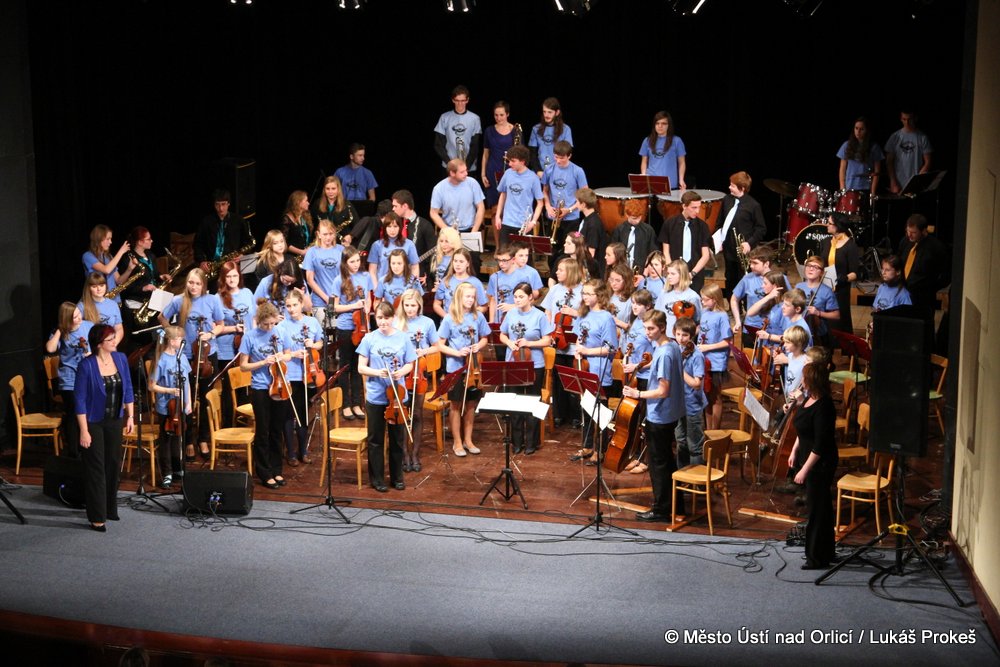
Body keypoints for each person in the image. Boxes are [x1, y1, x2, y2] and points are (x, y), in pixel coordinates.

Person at [621, 310, 685, 522]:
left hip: (660, 415)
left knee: (658, 464)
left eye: (651, 328)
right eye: (645, 328)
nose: (647, 332)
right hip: (670, 412)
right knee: (667, 460)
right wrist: (638, 366)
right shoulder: (671, 345)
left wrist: (637, 394)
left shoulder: (665, 353)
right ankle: (676, 504)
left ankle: (661, 510)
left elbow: (663, 391)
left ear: (662, 328)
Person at [74, 323, 135, 532]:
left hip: (114, 419)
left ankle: (109, 508)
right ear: (99, 344)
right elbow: (80, 400)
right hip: (93, 422)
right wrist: (84, 430)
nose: (115, 341)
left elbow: (128, 387)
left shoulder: (121, 358)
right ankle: (97, 516)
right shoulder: (86, 365)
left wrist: (130, 416)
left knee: (112, 464)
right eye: (110, 339)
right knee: (96, 468)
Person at [157, 268, 224, 459]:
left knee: (205, 398)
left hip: (207, 356)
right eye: (190, 282)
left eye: (197, 283)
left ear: (203, 285)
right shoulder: (179, 300)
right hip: (186, 356)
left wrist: (210, 334)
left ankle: (203, 438)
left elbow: (220, 324)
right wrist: (173, 334)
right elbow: (161, 317)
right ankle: (187, 441)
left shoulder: (212, 300)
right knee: (186, 399)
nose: (193, 287)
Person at [357, 302, 416, 492]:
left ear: (393, 318)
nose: (383, 322)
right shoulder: (369, 338)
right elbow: (361, 368)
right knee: (375, 440)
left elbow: (410, 364)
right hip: (376, 396)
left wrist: (401, 372)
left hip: (397, 397)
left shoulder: (403, 338)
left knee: (397, 439)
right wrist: (377, 372)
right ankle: (377, 479)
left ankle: (397, 477)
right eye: (380, 318)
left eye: (387, 318)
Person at [237, 301, 293, 490]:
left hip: (280, 386)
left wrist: (281, 357)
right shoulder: (249, 337)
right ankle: (264, 472)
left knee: (277, 429)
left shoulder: (281, 332)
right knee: (263, 430)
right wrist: (262, 362)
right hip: (260, 388)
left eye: (272, 324)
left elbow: (288, 355)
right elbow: (243, 366)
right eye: (265, 324)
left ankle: (277, 469)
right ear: (259, 321)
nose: (269, 328)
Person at [788, 362, 838, 569]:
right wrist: (794, 450)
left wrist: (804, 469)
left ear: (812, 380)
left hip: (820, 463)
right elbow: (803, 429)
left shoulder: (824, 407)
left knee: (817, 510)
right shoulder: (808, 399)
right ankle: (826, 552)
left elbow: (820, 445)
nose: (802, 380)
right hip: (808, 458)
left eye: (804, 377)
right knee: (822, 507)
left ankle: (816, 558)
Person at [499, 282, 554, 455]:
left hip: (534, 364)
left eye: (521, 297)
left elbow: (547, 340)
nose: (517, 300)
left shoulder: (539, 316)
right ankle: (516, 441)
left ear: (530, 297)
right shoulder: (511, 314)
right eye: (515, 297)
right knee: (514, 400)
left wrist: (528, 343)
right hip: (514, 362)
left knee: (532, 400)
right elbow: (502, 334)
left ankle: (531, 441)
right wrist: (510, 343)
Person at [437, 282, 491, 458]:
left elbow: (485, 338)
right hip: (456, 368)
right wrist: (457, 352)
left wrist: (478, 346)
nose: (471, 299)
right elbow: (440, 345)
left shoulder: (478, 316)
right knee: (455, 404)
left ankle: (468, 440)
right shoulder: (449, 318)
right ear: (459, 297)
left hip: (473, 369)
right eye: (468, 296)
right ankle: (457, 441)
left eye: (473, 297)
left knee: (470, 405)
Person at [571, 279, 619, 465]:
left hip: (599, 368)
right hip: (583, 366)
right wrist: (578, 349)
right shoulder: (583, 314)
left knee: (600, 412)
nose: (584, 297)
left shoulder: (606, 318)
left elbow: (611, 348)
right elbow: (579, 338)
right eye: (583, 293)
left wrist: (587, 351)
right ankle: (587, 445)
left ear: (599, 296)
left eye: (589, 294)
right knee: (586, 408)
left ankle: (601, 449)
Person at [276, 288, 323, 467]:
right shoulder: (281, 326)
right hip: (290, 375)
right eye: (288, 306)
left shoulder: (312, 322)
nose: (291, 309)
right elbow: (278, 353)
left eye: (295, 305)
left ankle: (303, 451)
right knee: (289, 414)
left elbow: (320, 343)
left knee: (303, 413)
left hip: (309, 374)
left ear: (302, 304)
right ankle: (291, 453)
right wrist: (293, 354)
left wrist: (313, 345)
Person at [395, 288, 438, 472]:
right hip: (402, 374)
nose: (410, 309)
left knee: (418, 413)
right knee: (404, 414)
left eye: (413, 305)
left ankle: (415, 453)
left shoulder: (427, 322)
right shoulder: (396, 322)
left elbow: (436, 346)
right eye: (407, 305)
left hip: (419, 374)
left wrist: (423, 351)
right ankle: (404, 453)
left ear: (419, 305)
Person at [330, 246, 373, 421]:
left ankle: (357, 403)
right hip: (346, 327)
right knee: (345, 366)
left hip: (362, 326)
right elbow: (334, 307)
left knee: (358, 366)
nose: (356, 264)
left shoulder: (366, 276)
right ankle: (346, 405)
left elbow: (368, 299)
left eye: (357, 260)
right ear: (345, 263)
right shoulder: (338, 280)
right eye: (352, 262)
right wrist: (354, 306)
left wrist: (367, 309)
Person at [45, 301, 94, 457]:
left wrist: (91, 354)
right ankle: (74, 452)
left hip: (87, 377)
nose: (79, 319)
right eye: (74, 317)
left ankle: (87, 448)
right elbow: (50, 348)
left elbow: (99, 346)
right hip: (69, 379)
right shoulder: (61, 332)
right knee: (73, 413)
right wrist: (60, 330)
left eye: (79, 315)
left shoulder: (88, 326)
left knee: (88, 412)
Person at [215, 260, 256, 427]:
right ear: (223, 278)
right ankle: (229, 425)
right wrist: (234, 328)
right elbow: (215, 327)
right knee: (229, 389)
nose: (232, 279)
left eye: (235, 276)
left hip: (246, 347)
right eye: (228, 276)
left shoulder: (247, 293)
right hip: (227, 349)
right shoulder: (217, 298)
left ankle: (244, 425)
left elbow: (254, 318)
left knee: (245, 387)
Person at [150, 326, 191, 488]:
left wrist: (188, 402)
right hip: (166, 406)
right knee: (166, 439)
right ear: (172, 341)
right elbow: (152, 386)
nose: (182, 341)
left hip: (180, 405)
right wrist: (169, 390)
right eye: (179, 339)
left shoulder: (182, 357)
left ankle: (177, 468)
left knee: (178, 437)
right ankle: (166, 472)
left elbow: (186, 382)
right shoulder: (160, 360)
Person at [620, 289, 656, 473]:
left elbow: (656, 357)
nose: (634, 306)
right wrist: (626, 359)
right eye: (633, 303)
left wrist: (637, 365)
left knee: (645, 421)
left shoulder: (651, 326)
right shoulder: (634, 322)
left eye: (639, 304)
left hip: (647, 378)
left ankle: (646, 460)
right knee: (635, 419)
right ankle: (634, 455)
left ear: (648, 306)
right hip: (634, 378)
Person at [429, 158, 485, 273]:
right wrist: (447, 230)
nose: (466, 174)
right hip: (450, 231)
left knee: (474, 263)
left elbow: (481, 207)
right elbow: (433, 213)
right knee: (451, 264)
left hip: (470, 230)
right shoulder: (439, 188)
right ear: (452, 173)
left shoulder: (472, 183)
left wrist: (474, 230)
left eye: (466, 170)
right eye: (462, 172)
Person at [717, 171, 768, 299]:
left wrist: (749, 243)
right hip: (729, 248)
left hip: (744, 252)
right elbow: (720, 222)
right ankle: (731, 304)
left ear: (742, 188)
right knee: (730, 277)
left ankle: (745, 305)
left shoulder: (753, 205)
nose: (729, 187)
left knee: (743, 279)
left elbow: (761, 229)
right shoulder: (727, 200)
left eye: (733, 186)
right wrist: (719, 240)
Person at [542, 141, 588, 271]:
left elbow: (585, 195)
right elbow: (544, 191)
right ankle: (553, 274)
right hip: (553, 216)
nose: (558, 161)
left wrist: (569, 209)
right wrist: (548, 206)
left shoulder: (577, 171)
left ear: (569, 156)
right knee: (552, 250)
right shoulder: (549, 169)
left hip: (571, 218)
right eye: (556, 157)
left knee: (569, 251)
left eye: (561, 158)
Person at [896, 213, 950, 315]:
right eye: (908, 231)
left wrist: (931, 288)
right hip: (903, 295)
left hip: (923, 299)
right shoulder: (905, 242)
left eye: (913, 232)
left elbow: (946, 274)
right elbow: (898, 261)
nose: (909, 235)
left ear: (924, 231)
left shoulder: (936, 248)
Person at [659, 190, 712, 293]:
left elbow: (705, 255)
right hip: (674, 274)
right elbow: (666, 251)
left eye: (699, 207)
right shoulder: (670, 224)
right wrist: (672, 271)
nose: (697, 211)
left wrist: (692, 274)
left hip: (695, 275)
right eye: (694, 207)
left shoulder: (702, 226)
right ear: (684, 206)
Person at [818, 212, 861, 335]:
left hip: (840, 290)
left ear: (838, 226)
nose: (827, 225)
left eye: (830, 223)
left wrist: (844, 278)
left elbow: (855, 273)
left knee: (838, 323)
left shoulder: (850, 246)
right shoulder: (826, 242)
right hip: (825, 286)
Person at [673, 317, 708, 467]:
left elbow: (696, 384)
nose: (681, 338)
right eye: (678, 334)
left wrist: (679, 370)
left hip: (692, 404)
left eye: (685, 335)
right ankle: (682, 475)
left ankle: (696, 477)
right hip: (678, 404)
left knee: (695, 445)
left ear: (692, 336)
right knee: (680, 441)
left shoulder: (697, 355)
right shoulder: (677, 349)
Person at [493, 144, 543, 248]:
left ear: (522, 161)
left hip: (524, 225)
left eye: (513, 161)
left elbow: (540, 203)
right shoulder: (508, 173)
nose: (510, 164)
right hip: (507, 222)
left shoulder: (533, 178)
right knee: (504, 254)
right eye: (509, 161)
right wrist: (498, 216)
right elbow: (503, 194)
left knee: (523, 255)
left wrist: (533, 222)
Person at [697, 284, 731, 431]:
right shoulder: (705, 312)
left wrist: (707, 347)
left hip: (715, 362)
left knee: (715, 397)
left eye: (705, 299)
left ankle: (715, 431)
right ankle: (708, 430)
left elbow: (727, 342)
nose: (702, 302)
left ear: (714, 299)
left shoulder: (722, 316)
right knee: (706, 397)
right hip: (703, 360)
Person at [730, 246, 778, 347]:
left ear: (766, 264)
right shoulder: (747, 279)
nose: (751, 266)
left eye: (755, 263)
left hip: (772, 329)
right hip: (751, 328)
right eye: (750, 262)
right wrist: (738, 321)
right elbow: (734, 299)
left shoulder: (780, 278)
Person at [194, 189, 250, 272]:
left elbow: (248, 242)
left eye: (223, 204)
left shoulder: (239, 221)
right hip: (212, 267)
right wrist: (202, 261)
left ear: (229, 204)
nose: (220, 208)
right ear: (214, 204)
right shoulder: (206, 222)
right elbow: (197, 244)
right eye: (217, 204)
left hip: (232, 266)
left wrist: (242, 255)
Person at [303, 219, 344, 329]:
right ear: (318, 234)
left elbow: (346, 276)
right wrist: (327, 298)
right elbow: (310, 280)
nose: (328, 237)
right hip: (320, 302)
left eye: (331, 234)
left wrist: (336, 299)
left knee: (339, 334)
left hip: (340, 301)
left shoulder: (341, 250)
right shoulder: (312, 252)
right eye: (325, 234)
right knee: (325, 333)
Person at [481, 100, 522, 209]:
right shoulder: (489, 131)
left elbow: (522, 155)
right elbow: (485, 154)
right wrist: (483, 174)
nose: (498, 118)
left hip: (511, 171)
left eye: (501, 115)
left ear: (507, 114)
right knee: (494, 207)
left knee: (510, 206)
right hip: (492, 171)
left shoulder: (516, 131)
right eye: (496, 115)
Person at [434, 85, 482, 173]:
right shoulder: (444, 117)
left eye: (463, 100)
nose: (460, 104)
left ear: (467, 100)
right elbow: (438, 145)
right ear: (453, 100)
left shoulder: (475, 119)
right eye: (457, 100)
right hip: (449, 166)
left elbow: (475, 146)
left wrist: (466, 167)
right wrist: (450, 164)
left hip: (468, 168)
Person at [795, 255, 840, 349]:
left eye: (815, 267)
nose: (811, 269)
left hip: (818, 334)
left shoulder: (827, 291)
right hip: (799, 332)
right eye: (809, 265)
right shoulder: (799, 286)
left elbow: (836, 315)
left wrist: (818, 313)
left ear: (821, 272)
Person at [82, 224, 133, 305]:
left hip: (114, 301)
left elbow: (119, 280)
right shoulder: (88, 256)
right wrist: (121, 252)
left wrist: (129, 269)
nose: (110, 242)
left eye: (111, 239)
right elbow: (106, 270)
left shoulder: (109, 257)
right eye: (108, 239)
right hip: (98, 302)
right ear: (99, 239)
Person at [367, 212, 420, 290]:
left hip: (404, 289)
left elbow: (415, 268)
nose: (392, 230)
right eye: (389, 226)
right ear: (385, 228)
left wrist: (411, 288)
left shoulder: (409, 244)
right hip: (383, 288)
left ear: (400, 227)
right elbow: (372, 270)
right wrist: (376, 289)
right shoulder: (377, 245)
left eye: (395, 226)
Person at [885, 109, 933, 194]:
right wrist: (893, 181)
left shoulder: (922, 137)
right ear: (901, 119)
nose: (907, 122)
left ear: (915, 119)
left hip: (915, 185)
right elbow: (889, 162)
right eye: (904, 119)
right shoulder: (895, 137)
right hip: (898, 184)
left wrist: (917, 181)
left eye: (909, 119)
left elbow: (928, 162)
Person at [392, 190, 437, 279]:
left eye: (395, 206)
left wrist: (427, 276)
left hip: (419, 275)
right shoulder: (394, 224)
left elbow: (433, 253)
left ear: (405, 206)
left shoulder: (425, 225)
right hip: (395, 273)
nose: (393, 209)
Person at [433, 247, 487, 319]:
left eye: (461, 261)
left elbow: (484, 306)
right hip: (450, 321)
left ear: (468, 263)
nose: (457, 264)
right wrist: (447, 317)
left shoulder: (476, 282)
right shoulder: (446, 281)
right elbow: (436, 304)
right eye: (455, 261)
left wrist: (471, 315)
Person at [654, 259, 702, 340]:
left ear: (682, 275)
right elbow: (657, 315)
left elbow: (700, 322)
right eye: (668, 273)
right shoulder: (664, 292)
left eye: (673, 274)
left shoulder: (692, 296)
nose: (669, 276)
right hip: (663, 338)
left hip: (681, 340)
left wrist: (688, 337)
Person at [639, 110, 686, 191]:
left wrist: (681, 180)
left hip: (670, 184)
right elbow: (644, 161)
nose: (660, 126)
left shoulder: (677, 141)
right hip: (651, 183)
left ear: (669, 125)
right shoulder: (647, 140)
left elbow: (681, 162)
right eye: (657, 123)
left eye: (663, 123)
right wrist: (643, 175)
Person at [837, 117, 883, 196]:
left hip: (866, 187)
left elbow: (877, 171)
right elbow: (842, 169)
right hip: (849, 187)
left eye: (862, 129)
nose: (858, 131)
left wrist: (873, 191)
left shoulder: (874, 147)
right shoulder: (846, 145)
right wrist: (842, 188)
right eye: (856, 128)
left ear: (867, 130)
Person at [611, 198, 658, 275]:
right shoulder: (619, 230)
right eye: (634, 218)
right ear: (627, 215)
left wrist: (645, 273)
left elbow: (653, 253)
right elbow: (614, 252)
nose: (637, 220)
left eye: (640, 217)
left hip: (641, 271)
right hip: (622, 271)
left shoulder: (648, 230)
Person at [528, 97, 573, 177]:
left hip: (559, 172)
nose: (546, 115)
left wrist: (559, 170)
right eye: (544, 112)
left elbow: (566, 153)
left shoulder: (566, 129)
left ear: (557, 112)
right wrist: (538, 171)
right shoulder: (536, 129)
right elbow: (532, 153)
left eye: (550, 112)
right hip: (540, 172)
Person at [78, 272, 125, 346]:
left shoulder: (113, 304)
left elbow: (119, 329)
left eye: (102, 285)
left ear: (106, 286)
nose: (99, 289)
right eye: (94, 286)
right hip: (92, 348)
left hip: (110, 346)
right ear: (89, 288)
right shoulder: (82, 306)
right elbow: (76, 331)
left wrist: (112, 344)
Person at [333, 143, 378, 207]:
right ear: (351, 156)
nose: (363, 158)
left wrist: (366, 208)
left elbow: (372, 198)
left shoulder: (368, 173)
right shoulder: (339, 172)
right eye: (360, 155)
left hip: (361, 208)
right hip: (344, 207)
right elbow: (332, 192)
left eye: (363, 155)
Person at [573, 187, 609, 266]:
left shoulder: (593, 224)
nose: (576, 204)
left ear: (583, 204)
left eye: (577, 202)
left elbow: (591, 253)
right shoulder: (587, 219)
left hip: (592, 268)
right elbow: (579, 235)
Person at [281, 190, 314, 260]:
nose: (308, 203)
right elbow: (284, 243)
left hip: (305, 256)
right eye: (306, 201)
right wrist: (301, 252)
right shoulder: (287, 219)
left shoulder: (304, 216)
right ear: (298, 202)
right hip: (292, 258)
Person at [607, 263, 635, 334]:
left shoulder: (631, 301)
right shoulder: (607, 295)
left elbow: (635, 329)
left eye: (618, 280)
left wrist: (618, 322)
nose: (613, 283)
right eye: (611, 280)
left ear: (626, 281)